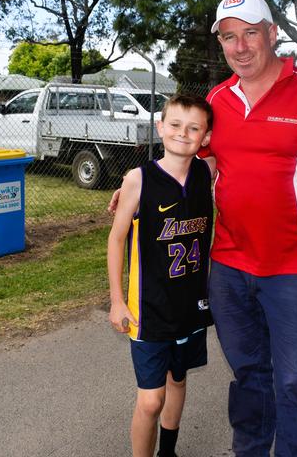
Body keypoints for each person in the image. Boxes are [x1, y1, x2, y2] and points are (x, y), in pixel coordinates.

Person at [109, 0, 297, 457]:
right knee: (250, 376)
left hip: (294, 272)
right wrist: (141, 182)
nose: (241, 46)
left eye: (251, 33)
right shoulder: (217, 101)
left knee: (295, 383)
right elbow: (195, 161)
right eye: (230, 37)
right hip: (227, 270)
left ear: (272, 34)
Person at [107, 94, 216, 457]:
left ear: (205, 137)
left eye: (194, 128)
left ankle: (168, 451)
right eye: (174, 124)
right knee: (151, 400)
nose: (183, 134)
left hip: (190, 306)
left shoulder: (207, 171)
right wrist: (117, 301)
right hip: (149, 310)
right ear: (159, 127)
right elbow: (116, 237)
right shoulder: (139, 180)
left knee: (179, 379)